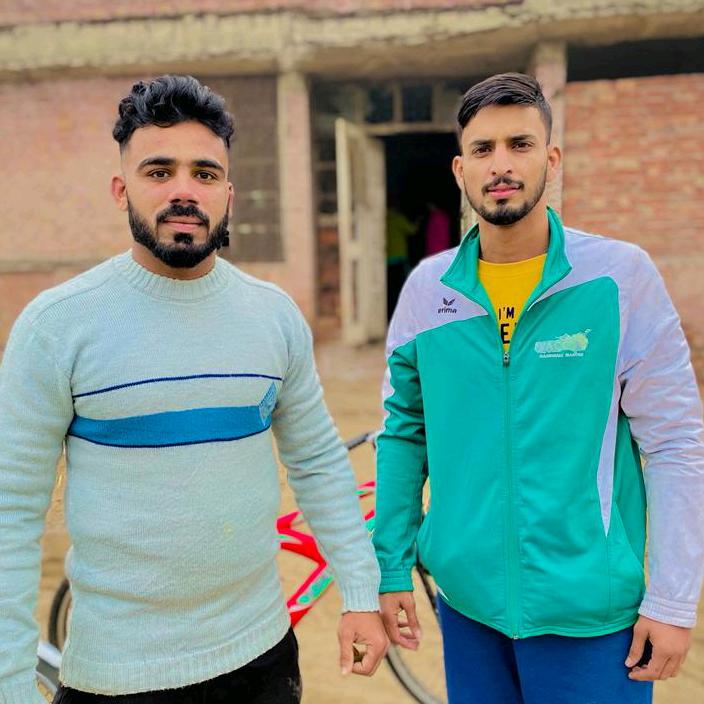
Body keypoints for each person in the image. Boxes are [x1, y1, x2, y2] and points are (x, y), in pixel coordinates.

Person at [0, 75, 387, 704]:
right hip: (118, 679)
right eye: (159, 171)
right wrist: (10, 685)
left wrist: (361, 594)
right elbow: (10, 513)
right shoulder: (57, 326)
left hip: (264, 660)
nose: (184, 190)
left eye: (205, 174)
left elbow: (317, 463)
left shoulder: (273, 316)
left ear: (228, 194)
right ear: (121, 189)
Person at [373, 72, 704, 704]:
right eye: (483, 149)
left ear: (551, 160)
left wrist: (672, 600)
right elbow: (403, 434)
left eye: (520, 145)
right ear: (460, 170)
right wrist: (389, 568)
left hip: (590, 616)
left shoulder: (618, 278)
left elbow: (675, 443)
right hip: (467, 610)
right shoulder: (427, 292)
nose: (501, 164)